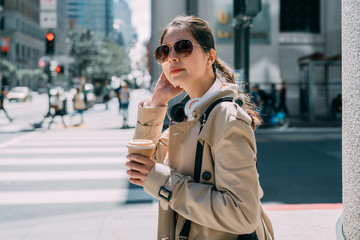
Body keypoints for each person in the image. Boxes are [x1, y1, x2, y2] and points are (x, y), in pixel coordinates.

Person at [125, 15, 274, 240]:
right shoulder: (189, 114)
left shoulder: (226, 117)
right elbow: (143, 168)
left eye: (183, 47)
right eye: (164, 52)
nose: (172, 57)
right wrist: (157, 103)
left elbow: (243, 215)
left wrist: (164, 182)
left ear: (210, 56)